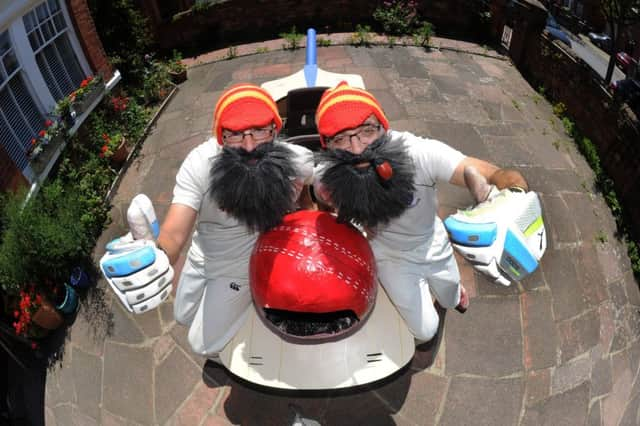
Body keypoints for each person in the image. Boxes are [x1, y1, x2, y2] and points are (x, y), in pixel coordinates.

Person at [312, 82, 529, 344]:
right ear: (327, 145)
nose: (358, 148)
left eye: (367, 130)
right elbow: (322, 204)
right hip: (387, 256)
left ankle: (452, 291)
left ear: (384, 127)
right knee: (425, 332)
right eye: (341, 138)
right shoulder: (326, 178)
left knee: (449, 298)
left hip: (432, 243)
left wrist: (515, 190)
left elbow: (490, 173)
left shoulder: (418, 153)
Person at [128, 84, 314, 356]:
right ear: (220, 138)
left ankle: (254, 306)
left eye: (260, 130)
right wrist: (154, 258)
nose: (249, 146)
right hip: (202, 254)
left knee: (202, 344)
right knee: (182, 316)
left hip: (242, 263)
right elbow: (174, 233)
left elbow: (307, 193)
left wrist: (306, 223)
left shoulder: (297, 161)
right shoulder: (200, 164)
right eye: (235, 134)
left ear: (275, 130)